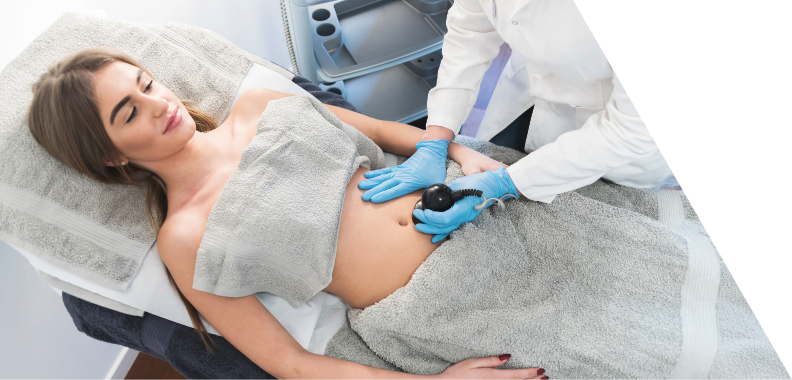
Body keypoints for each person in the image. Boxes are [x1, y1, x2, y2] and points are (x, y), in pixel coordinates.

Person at [27, 49, 548, 380]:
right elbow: (290, 364)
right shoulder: (184, 237)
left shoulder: (260, 104)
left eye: (146, 84)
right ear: (110, 156)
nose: (159, 104)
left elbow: (384, 131)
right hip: (445, 309)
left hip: (485, 208)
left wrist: (456, 153)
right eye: (129, 112)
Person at [358, 0, 677, 243]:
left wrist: (506, 183)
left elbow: (631, 130)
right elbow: (469, 33)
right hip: (540, 89)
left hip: (622, 139)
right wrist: (436, 137)